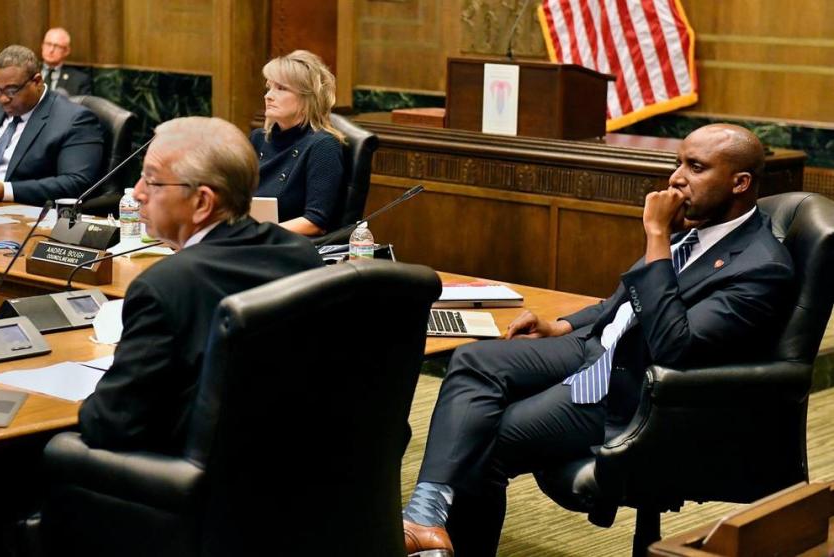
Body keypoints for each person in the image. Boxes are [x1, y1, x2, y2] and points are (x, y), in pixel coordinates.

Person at [401, 124, 796, 557]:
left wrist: (657, 238)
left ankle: (436, 535)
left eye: (695, 167)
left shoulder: (760, 267)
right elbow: (622, 304)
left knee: (487, 437)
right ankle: (426, 515)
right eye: (678, 163)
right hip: (596, 347)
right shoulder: (699, 229)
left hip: (637, 388)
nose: (676, 178)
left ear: (740, 183)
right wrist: (564, 326)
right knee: (476, 360)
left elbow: (673, 346)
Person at [78, 116, 323, 453]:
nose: (136, 193)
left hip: (184, 486)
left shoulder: (165, 285)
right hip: (289, 466)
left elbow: (112, 423)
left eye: (152, 181)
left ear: (203, 203)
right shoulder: (302, 255)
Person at [0, 45, 103, 206]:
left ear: (37, 81)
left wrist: (4, 191)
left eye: (11, 90)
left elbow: (76, 183)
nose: (2, 99)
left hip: (21, 214)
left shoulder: (74, 120)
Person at [250, 50, 345, 236]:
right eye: (269, 87)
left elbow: (315, 222)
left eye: (281, 88)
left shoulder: (323, 146)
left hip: (289, 248)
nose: (268, 96)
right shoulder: (259, 138)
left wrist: (255, 234)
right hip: (250, 242)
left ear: (307, 97)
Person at [41, 27, 91, 96]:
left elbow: (83, 105)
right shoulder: (29, 72)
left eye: (57, 46)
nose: (51, 50)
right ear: (42, 46)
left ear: (66, 51)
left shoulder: (79, 80)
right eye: (48, 44)